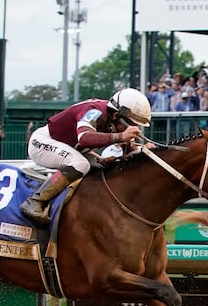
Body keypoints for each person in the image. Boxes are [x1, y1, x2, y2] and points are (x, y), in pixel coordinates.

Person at [20, 88, 150, 225]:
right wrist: (120, 137)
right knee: (81, 164)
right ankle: (34, 201)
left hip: (71, 147)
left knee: (101, 165)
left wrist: (145, 150)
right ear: (116, 116)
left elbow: (130, 149)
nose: (135, 128)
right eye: (132, 124)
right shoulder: (94, 111)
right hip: (43, 142)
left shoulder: (114, 119)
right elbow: (84, 138)